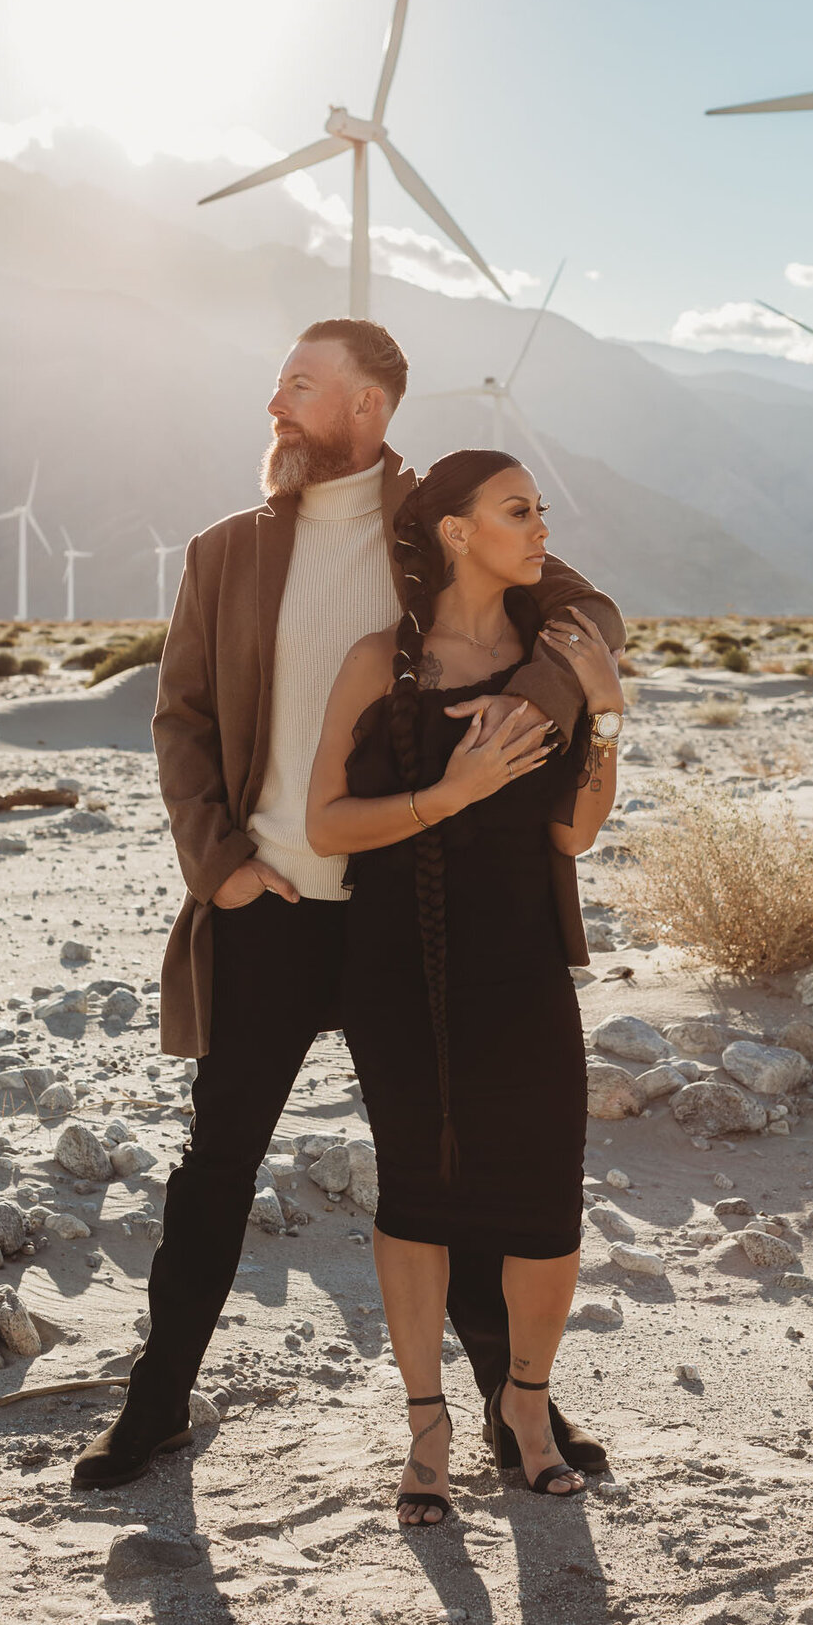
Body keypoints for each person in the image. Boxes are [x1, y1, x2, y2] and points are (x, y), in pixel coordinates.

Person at [73, 320, 624, 1492]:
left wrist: (509, 718)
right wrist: (217, 862)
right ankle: (155, 1406)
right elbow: (180, 721)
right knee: (216, 1161)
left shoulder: (444, 522)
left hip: (411, 908)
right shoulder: (225, 550)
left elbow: (592, 624)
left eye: (305, 388)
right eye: (278, 383)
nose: (277, 404)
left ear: (370, 408)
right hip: (268, 903)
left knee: (443, 1168)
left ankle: (513, 1416)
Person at [306, 449, 625, 1524]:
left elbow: (573, 830)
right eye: (518, 510)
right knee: (418, 1198)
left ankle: (525, 1413)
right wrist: (451, 793)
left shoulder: (554, 661)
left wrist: (610, 718)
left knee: (545, 1198)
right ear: (454, 530)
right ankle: (429, 1428)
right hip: (399, 969)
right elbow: (327, 825)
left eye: (541, 508)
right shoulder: (376, 662)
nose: (543, 528)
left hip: (523, 963)